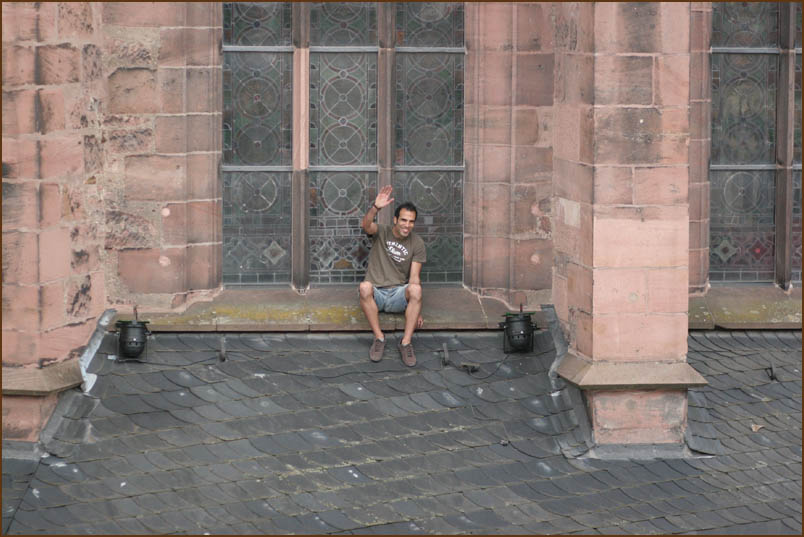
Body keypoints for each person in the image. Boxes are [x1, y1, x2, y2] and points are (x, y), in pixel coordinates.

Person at [359, 185, 426, 366]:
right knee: (364, 287)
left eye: (411, 221)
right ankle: (379, 338)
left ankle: (406, 343)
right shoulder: (382, 231)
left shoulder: (417, 243)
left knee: (416, 289)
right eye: (403, 220)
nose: (407, 225)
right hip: (377, 294)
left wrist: (417, 306)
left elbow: (414, 277)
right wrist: (376, 208)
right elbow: (366, 225)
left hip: (398, 295)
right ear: (395, 219)